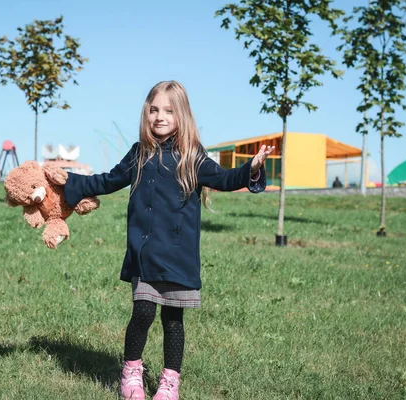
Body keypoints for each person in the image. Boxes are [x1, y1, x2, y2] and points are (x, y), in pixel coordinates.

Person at [63, 81, 274, 400]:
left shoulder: (193, 155)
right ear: (146, 113)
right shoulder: (139, 153)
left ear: (182, 115)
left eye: (168, 110)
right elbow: (107, 181)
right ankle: (132, 372)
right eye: (154, 110)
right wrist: (66, 183)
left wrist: (252, 168)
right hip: (145, 253)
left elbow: (225, 179)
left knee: (173, 320)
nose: (159, 116)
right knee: (143, 310)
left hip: (179, 256)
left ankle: (169, 382)